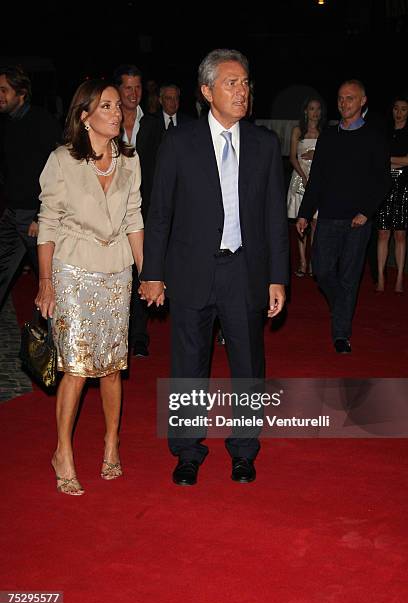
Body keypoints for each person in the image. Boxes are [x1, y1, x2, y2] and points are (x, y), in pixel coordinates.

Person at [140, 48, 289, 486]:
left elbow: (272, 220)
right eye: (231, 83)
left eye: (245, 82)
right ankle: (187, 449)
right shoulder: (179, 142)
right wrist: (153, 272)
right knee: (188, 364)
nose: (241, 91)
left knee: (247, 364)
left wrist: (278, 276)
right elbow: (160, 212)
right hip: (190, 271)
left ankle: (244, 449)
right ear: (206, 91)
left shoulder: (264, 145)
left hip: (245, 271)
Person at [35, 79, 144, 495]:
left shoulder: (129, 160)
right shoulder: (62, 160)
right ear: (85, 116)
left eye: (118, 106)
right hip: (72, 268)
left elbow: (134, 219)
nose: (117, 112)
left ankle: (111, 443)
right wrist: (45, 282)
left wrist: (147, 273)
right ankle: (63, 450)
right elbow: (47, 223)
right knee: (77, 366)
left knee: (114, 366)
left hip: (116, 269)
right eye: (107, 106)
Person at [296, 79, 390, 354]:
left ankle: (341, 334)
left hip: (357, 221)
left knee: (349, 277)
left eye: (350, 98)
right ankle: (342, 307)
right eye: (340, 98)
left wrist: (366, 212)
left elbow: (382, 181)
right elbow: (317, 179)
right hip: (327, 217)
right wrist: (304, 213)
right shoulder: (329, 136)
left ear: (362, 101)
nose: (343, 102)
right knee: (322, 271)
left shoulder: (374, 137)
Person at [0, 64, 61, 311]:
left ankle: (55, 339)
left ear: (21, 92)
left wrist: (40, 214)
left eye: (4, 90)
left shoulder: (42, 122)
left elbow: (57, 172)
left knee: (50, 281)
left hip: (35, 218)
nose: (0, 96)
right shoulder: (6, 124)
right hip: (12, 214)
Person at [113, 64, 163, 357]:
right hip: (111, 211)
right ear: (118, 90)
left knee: (141, 268)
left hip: (144, 210)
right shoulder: (109, 120)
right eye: (128, 87)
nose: (133, 93)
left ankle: (139, 335)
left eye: (137, 87)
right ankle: (118, 331)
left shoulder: (154, 125)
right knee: (119, 272)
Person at [287, 96, 326, 276]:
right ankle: (302, 261)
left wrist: (317, 156)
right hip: (300, 179)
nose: (315, 113)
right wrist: (303, 177)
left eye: (318, 109)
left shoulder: (325, 132)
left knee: (317, 224)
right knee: (301, 223)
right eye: (312, 109)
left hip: (319, 180)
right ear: (306, 111)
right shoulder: (298, 130)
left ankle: (313, 262)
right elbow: (292, 157)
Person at [375, 95, 408, 294]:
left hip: (404, 186)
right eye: (396, 108)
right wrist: (396, 161)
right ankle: (380, 277)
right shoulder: (384, 131)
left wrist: (390, 160)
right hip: (384, 185)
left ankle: (399, 279)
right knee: (382, 232)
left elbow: (407, 161)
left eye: (403, 109)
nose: (399, 112)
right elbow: (377, 159)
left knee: (401, 234)